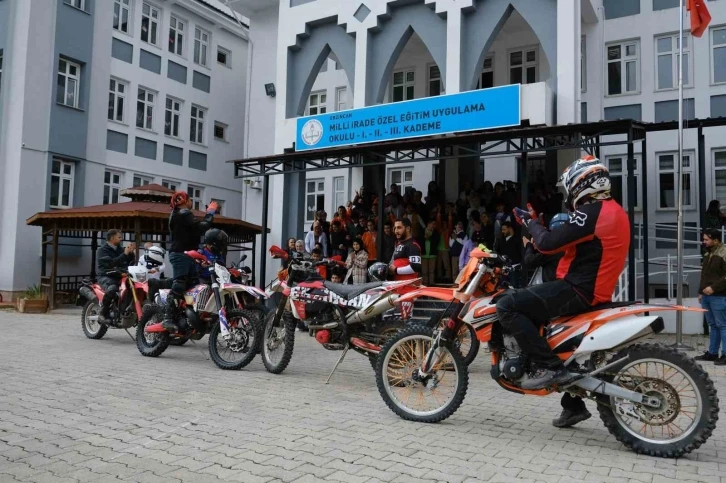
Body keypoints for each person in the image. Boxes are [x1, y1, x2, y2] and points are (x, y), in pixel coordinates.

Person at [499, 155, 629, 390]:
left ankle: (550, 367)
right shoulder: (615, 210)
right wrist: (537, 225)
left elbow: (547, 243)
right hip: (593, 289)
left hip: (578, 289)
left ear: (580, 183)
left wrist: (530, 223)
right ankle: (572, 402)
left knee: (507, 305)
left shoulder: (592, 213)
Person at [522, 214, 588, 428]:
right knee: (571, 354)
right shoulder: (576, 245)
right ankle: (573, 406)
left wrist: (528, 245)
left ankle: (544, 366)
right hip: (570, 298)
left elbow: (529, 262)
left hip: (556, 298)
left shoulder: (555, 247)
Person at [163, 192, 217, 332]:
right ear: (184, 201)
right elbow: (202, 227)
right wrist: (210, 213)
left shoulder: (177, 215)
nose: (191, 202)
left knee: (192, 287)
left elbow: (194, 231)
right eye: (190, 199)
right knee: (180, 285)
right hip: (182, 254)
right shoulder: (184, 213)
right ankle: (167, 318)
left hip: (186, 254)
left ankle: (186, 317)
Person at [695, 228, 726, 365]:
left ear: (716, 240)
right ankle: (712, 353)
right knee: (713, 325)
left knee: (722, 325)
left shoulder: (724, 253)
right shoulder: (708, 253)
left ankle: (725, 354)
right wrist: (700, 292)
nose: (704, 242)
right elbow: (704, 275)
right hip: (707, 296)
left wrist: (713, 288)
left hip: (719, 296)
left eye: (706, 239)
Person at [96, 229, 136, 323]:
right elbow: (111, 264)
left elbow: (130, 262)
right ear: (112, 238)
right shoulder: (102, 250)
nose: (121, 239)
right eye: (119, 237)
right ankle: (102, 313)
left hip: (121, 276)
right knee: (112, 288)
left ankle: (126, 309)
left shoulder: (121, 249)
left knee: (134, 286)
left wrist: (131, 253)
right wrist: (125, 254)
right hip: (107, 276)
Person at [421, 221, 439, 286]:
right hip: (423, 255)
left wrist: (430, 237)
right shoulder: (422, 231)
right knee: (424, 271)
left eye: (434, 224)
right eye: (432, 224)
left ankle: (431, 284)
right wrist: (424, 238)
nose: (433, 226)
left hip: (432, 255)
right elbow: (419, 240)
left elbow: (437, 241)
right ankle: (425, 285)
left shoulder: (435, 232)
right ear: (428, 224)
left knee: (432, 271)